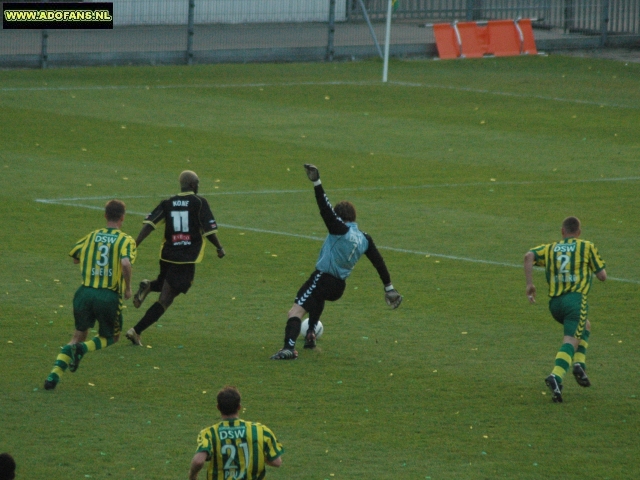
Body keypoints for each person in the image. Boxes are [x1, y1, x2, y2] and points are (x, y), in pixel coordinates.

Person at [271, 164, 403, 360]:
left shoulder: (339, 229)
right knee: (318, 298)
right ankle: (310, 334)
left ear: (339, 217)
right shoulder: (364, 238)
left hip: (323, 277)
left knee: (296, 310)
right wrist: (389, 287)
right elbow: (378, 262)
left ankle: (289, 347)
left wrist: (317, 182)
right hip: (338, 286)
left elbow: (324, 208)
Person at [44, 200, 136, 391]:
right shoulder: (125, 240)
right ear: (122, 218)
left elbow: (76, 257)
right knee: (111, 337)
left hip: (84, 293)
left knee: (78, 335)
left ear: (105, 215)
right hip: (107, 296)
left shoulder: (92, 236)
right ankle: (83, 349)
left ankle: (53, 376)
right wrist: (128, 288)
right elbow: (126, 263)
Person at [126, 170, 225, 346]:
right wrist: (219, 247)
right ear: (193, 185)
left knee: (165, 284)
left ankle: (150, 286)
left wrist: (135, 243)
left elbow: (149, 224)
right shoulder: (199, 202)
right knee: (167, 298)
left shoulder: (168, 202)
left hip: (167, 254)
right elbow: (209, 230)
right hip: (185, 258)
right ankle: (136, 331)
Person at [524, 216, 607, 403]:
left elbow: (528, 256)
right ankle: (556, 376)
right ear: (579, 232)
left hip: (555, 305)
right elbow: (602, 276)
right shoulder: (586, 246)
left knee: (585, 326)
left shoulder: (551, 248)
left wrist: (530, 284)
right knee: (570, 340)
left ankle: (579, 365)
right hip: (575, 302)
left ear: (562, 232)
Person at [188, 386, 284, 480]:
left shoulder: (209, 434)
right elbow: (276, 462)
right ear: (239, 407)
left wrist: (192, 476)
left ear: (218, 407)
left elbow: (198, 461)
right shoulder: (260, 430)